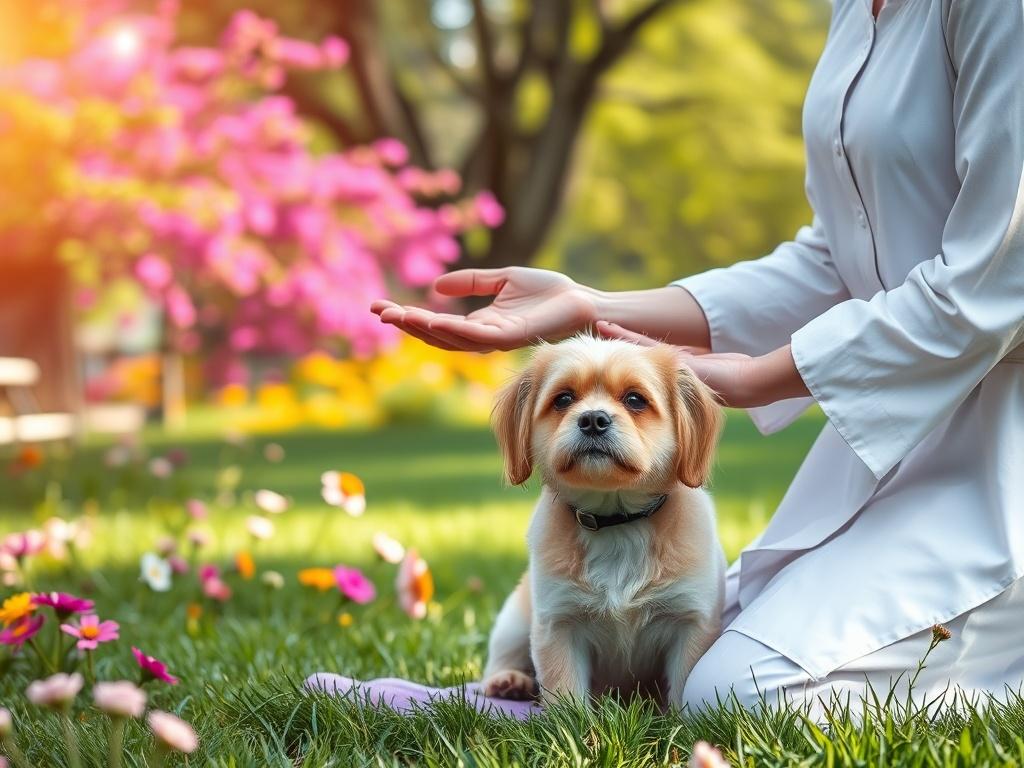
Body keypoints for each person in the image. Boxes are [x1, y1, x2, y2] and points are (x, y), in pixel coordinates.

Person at [310, 0, 1024, 714]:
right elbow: (837, 259)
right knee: (721, 639)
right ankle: (517, 702)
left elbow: (995, 283)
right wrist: (592, 306)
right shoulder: (853, 8)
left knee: (734, 693)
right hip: (886, 451)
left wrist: (750, 378)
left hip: (996, 450)